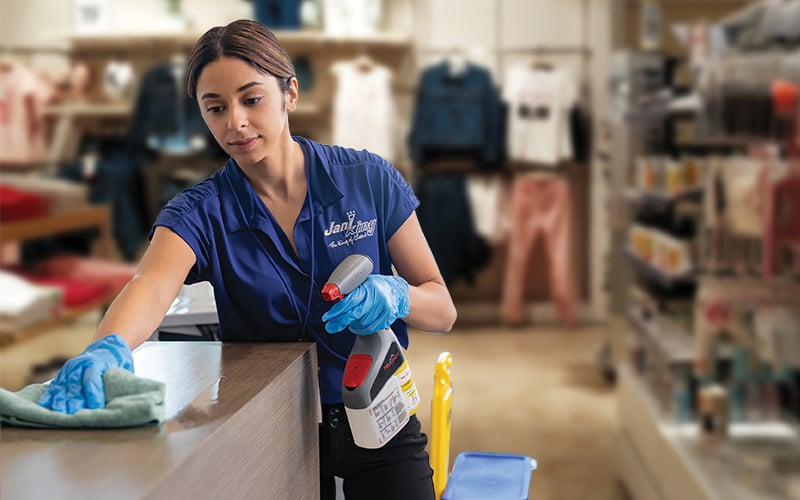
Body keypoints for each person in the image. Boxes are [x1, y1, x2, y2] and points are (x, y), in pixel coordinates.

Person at [37, 19, 456, 500]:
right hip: (269, 425)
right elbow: (150, 285)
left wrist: (398, 295)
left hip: (379, 411)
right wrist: (105, 348)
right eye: (215, 108)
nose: (234, 122)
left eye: (251, 99)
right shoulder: (201, 210)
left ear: (290, 93)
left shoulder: (367, 180)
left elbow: (442, 309)